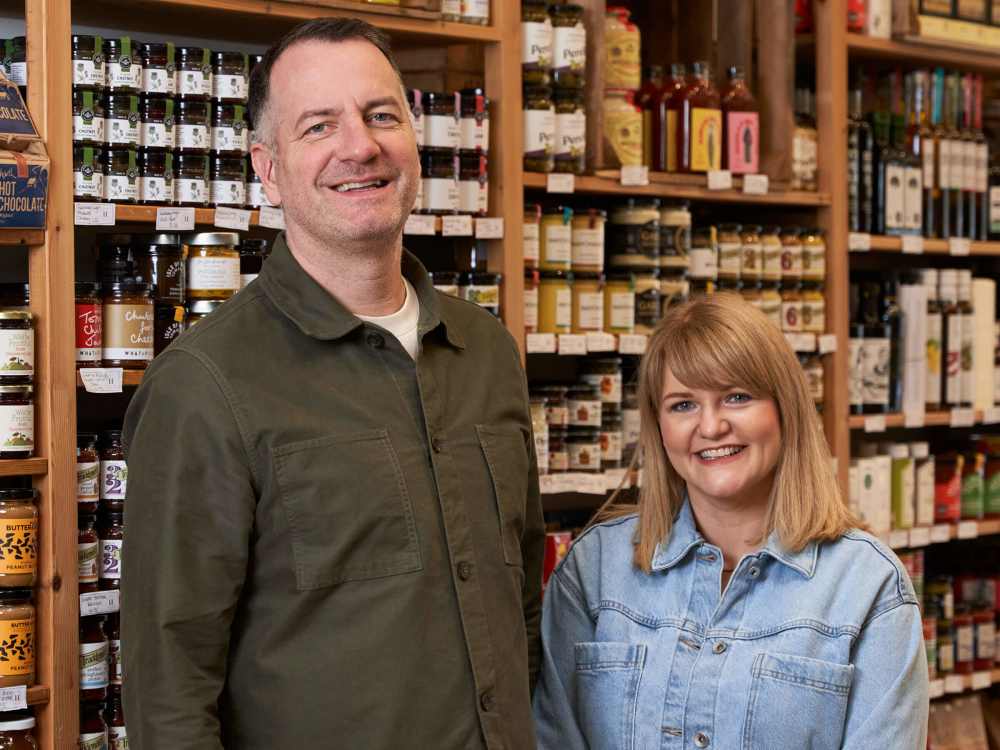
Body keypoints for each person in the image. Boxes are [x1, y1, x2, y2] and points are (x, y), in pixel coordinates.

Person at [121, 18, 544, 749]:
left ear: (415, 139)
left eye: (383, 115)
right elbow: (170, 694)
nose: (361, 146)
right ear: (269, 168)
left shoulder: (488, 353)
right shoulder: (205, 385)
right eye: (319, 126)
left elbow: (521, 604)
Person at [533, 293, 929, 749]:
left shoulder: (867, 586)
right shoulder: (595, 569)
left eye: (737, 397)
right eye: (683, 405)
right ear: (658, 426)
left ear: (785, 409)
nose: (712, 426)